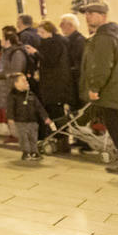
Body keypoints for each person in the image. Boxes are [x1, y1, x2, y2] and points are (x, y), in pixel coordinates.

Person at [78, 0, 118, 175]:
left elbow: (102, 65)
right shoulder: (117, 35)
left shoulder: (104, 37)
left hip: (113, 91)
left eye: (92, 13)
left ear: (103, 16)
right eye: (86, 13)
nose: (87, 16)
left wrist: (95, 88)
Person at [35, 21, 75, 153]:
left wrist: (36, 52)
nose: (40, 35)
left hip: (54, 85)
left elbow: (50, 61)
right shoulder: (57, 42)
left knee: (56, 113)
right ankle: (59, 141)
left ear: (49, 31)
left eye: (42, 32)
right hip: (54, 84)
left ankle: (61, 142)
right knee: (55, 112)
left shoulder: (54, 43)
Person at [7, 72, 50, 161]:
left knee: (33, 137)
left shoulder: (31, 95)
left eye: (26, 80)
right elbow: (10, 108)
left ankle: (34, 152)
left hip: (32, 121)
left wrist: (45, 117)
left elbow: (39, 107)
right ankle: (26, 152)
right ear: (16, 84)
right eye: (23, 81)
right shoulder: (13, 95)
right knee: (24, 138)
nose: (26, 82)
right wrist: (10, 119)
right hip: (20, 121)